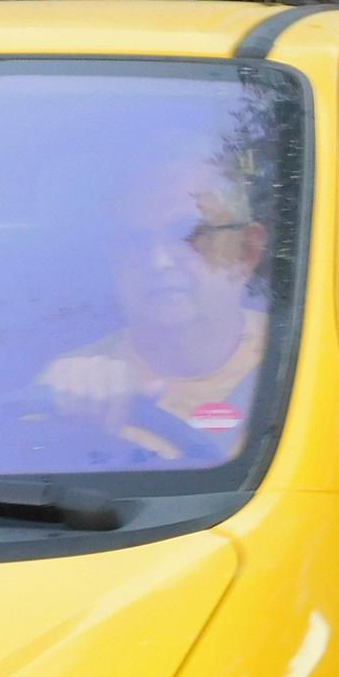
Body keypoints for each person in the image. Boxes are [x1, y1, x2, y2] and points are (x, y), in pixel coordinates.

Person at [38, 157, 268, 466]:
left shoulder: (308, 361)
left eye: (189, 233)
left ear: (246, 252)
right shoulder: (71, 387)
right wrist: (61, 419)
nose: (159, 261)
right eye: (135, 240)